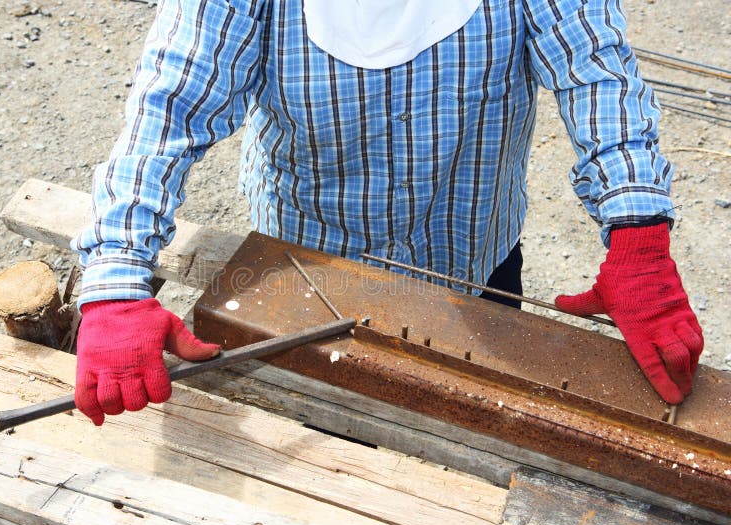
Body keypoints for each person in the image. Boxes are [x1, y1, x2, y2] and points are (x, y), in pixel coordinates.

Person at [71, 0, 703, 426]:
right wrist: (118, 279)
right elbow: (172, 103)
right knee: (326, 447)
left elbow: (597, 72)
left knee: (466, 445)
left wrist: (638, 236)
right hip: (307, 273)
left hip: (474, 269)